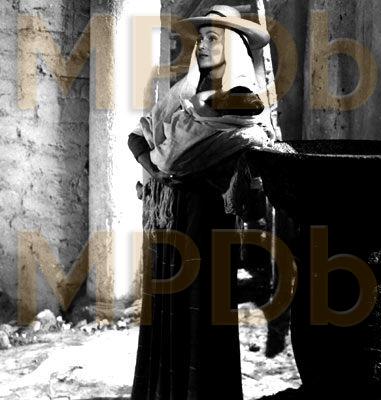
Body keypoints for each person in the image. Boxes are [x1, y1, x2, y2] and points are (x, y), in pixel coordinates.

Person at [127, 5, 273, 399]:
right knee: (164, 313)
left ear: (234, 47)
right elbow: (137, 137)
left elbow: (245, 122)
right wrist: (155, 168)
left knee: (203, 317)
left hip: (207, 226)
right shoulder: (182, 96)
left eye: (213, 38)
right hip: (167, 220)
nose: (203, 45)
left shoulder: (241, 105)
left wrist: (178, 160)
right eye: (201, 38)